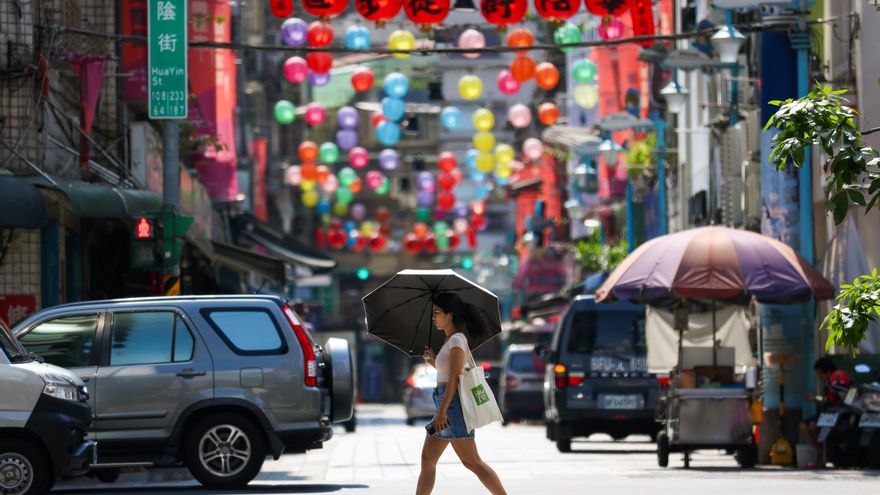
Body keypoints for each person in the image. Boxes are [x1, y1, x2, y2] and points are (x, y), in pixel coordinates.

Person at [416, 292, 506, 495]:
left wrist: (442, 412)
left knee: (472, 461)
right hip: (445, 403)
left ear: (450, 315)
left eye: (437, 312)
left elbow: (455, 378)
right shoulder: (449, 341)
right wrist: (433, 360)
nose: (433, 317)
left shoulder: (457, 340)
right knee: (428, 460)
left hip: (451, 406)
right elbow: (448, 373)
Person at [799, 356, 852, 452]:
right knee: (804, 426)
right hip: (829, 412)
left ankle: (825, 453)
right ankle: (823, 453)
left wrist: (814, 398)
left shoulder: (837, 377)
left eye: (819, 373)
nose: (819, 376)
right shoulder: (832, 379)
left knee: (811, 426)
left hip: (836, 413)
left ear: (827, 371)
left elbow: (830, 399)